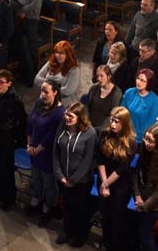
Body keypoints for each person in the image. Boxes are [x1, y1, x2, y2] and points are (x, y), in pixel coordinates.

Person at [52, 102, 98, 247]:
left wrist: (73, 179)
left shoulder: (90, 133)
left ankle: (80, 234)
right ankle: (67, 230)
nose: (67, 118)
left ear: (79, 117)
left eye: (70, 116)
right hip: (64, 178)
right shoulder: (62, 126)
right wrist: (60, 175)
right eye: (66, 114)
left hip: (81, 180)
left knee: (80, 208)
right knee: (67, 206)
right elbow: (55, 151)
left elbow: (88, 159)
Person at [0, 69, 27, 210]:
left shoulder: (14, 99)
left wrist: (17, 141)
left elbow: (22, 121)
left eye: (1, 82)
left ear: (9, 84)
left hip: (7, 139)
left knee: (6, 169)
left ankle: (8, 198)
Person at [97, 106, 137, 251]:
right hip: (103, 179)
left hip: (120, 185)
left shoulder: (131, 142)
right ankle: (106, 244)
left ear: (124, 123)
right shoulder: (104, 134)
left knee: (117, 219)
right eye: (112, 120)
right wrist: (103, 183)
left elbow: (122, 169)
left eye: (117, 122)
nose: (113, 124)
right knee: (105, 216)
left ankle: (115, 246)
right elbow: (100, 159)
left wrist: (106, 184)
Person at [26, 79, 65, 226]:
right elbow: (30, 123)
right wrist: (30, 144)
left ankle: (48, 206)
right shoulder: (38, 103)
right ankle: (36, 199)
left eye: (46, 92)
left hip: (48, 153)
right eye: (42, 90)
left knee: (49, 182)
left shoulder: (60, 112)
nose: (42, 94)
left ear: (55, 93)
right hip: (34, 148)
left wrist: (38, 149)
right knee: (36, 176)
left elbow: (51, 135)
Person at [10, 0, 44, 85]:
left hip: (31, 19)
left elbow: (35, 3)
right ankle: (22, 73)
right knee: (20, 47)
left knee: (30, 48)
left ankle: (32, 76)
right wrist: (19, 11)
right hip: (18, 18)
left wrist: (23, 11)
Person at [120, 68, 158, 143]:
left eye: (143, 80)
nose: (139, 82)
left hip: (140, 139)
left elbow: (150, 124)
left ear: (149, 83)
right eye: (138, 78)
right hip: (124, 134)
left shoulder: (154, 100)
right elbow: (121, 113)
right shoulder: (129, 92)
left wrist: (136, 136)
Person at [34, 40, 81, 106]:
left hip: (64, 103)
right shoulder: (51, 62)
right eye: (56, 52)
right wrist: (55, 85)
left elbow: (68, 91)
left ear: (68, 54)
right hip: (46, 99)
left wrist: (47, 86)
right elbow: (37, 79)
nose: (58, 55)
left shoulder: (74, 70)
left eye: (61, 53)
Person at [87, 65, 123, 132]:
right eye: (97, 76)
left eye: (101, 76)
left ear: (109, 77)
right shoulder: (93, 88)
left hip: (105, 129)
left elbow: (113, 114)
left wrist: (99, 129)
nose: (98, 79)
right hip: (89, 126)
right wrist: (87, 123)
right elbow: (87, 107)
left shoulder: (117, 93)